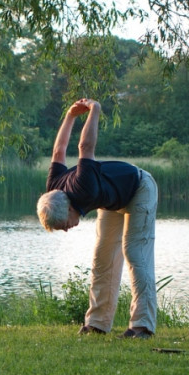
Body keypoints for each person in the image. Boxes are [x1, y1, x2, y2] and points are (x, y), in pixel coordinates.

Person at [37, 98, 158, 339]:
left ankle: (142, 326)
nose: (67, 230)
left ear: (69, 208)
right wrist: (70, 116)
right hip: (112, 200)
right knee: (102, 258)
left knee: (134, 252)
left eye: (63, 226)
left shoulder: (83, 187)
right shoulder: (54, 188)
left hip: (139, 188)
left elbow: (85, 147)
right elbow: (58, 151)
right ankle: (97, 323)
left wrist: (95, 110)